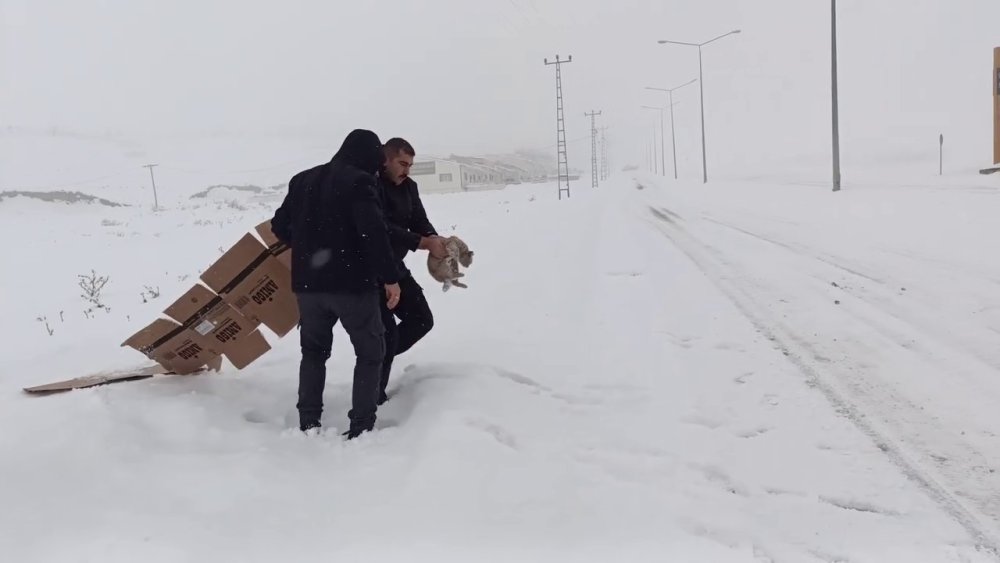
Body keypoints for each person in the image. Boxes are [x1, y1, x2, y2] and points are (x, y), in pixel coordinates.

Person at [270, 129, 402, 439]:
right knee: (370, 352)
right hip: (352, 285)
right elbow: (374, 234)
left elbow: (279, 226)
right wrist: (390, 278)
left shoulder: (302, 180)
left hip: (308, 287)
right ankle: (361, 425)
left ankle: (308, 421)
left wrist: (307, 248)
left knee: (313, 353)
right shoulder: (360, 182)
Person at [376, 137, 447, 404]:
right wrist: (421, 243)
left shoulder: (409, 187)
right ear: (386, 159)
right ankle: (373, 397)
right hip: (374, 271)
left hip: (397, 267)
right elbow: (379, 227)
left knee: (421, 320)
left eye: (410, 165)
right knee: (386, 333)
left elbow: (418, 219)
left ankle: (378, 358)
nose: (407, 170)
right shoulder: (371, 186)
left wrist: (435, 239)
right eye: (402, 163)